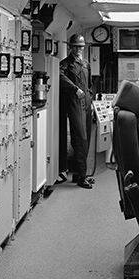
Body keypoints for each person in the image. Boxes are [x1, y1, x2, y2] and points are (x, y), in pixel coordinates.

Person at [59, 34, 94, 189]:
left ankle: (80, 174)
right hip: (74, 103)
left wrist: (91, 101)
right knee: (80, 138)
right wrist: (74, 89)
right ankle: (82, 177)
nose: (79, 49)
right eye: (76, 46)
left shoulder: (86, 64)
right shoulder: (65, 64)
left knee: (87, 137)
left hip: (86, 103)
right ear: (70, 47)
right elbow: (60, 77)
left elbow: (90, 84)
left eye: (81, 46)